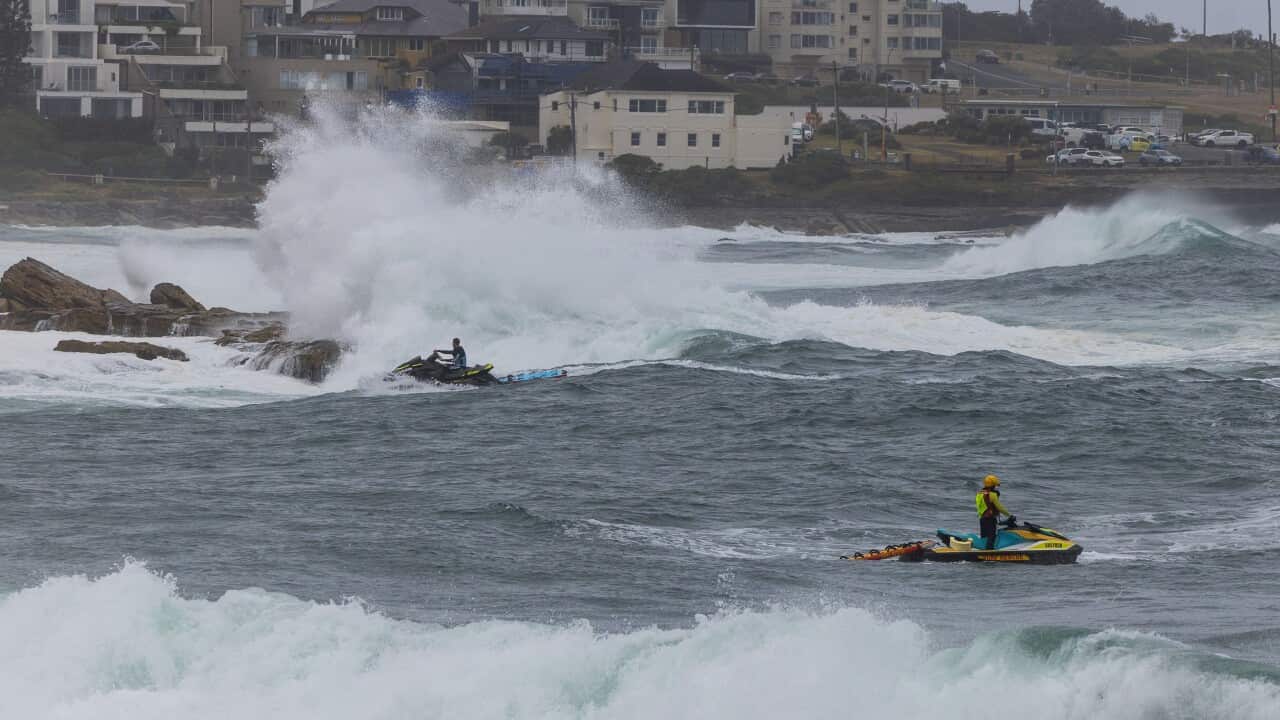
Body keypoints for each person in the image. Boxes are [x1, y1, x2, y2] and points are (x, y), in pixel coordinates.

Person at [975, 475, 1014, 550]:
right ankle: (989, 554)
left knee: (984, 538)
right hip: (990, 519)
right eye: (995, 486)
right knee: (992, 537)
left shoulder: (979, 494)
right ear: (992, 485)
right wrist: (1009, 515)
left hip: (982, 519)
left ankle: (983, 553)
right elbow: (1000, 508)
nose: (995, 488)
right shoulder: (992, 495)